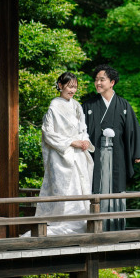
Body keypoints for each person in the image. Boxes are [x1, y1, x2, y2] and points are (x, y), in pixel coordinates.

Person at [82, 64, 140, 230]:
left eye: (102, 79)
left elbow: (131, 129)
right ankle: (95, 226)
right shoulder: (88, 106)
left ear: (112, 82)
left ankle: (115, 226)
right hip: (94, 154)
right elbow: (80, 130)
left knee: (116, 186)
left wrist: (136, 151)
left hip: (117, 155)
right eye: (96, 80)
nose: (98, 83)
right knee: (95, 185)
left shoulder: (123, 105)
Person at [33, 72, 94, 236]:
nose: (72, 90)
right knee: (65, 190)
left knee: (79, 189)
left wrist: (85, 140)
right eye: (69, 86)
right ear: (60, 86)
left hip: (78, 155)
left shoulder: (77, 106)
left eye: (75, 87)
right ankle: (62, 225)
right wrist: (71, 142)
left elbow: (83, 129)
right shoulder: (54, 106)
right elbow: (48, 133)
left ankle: (81, 224)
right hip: (61, 156)